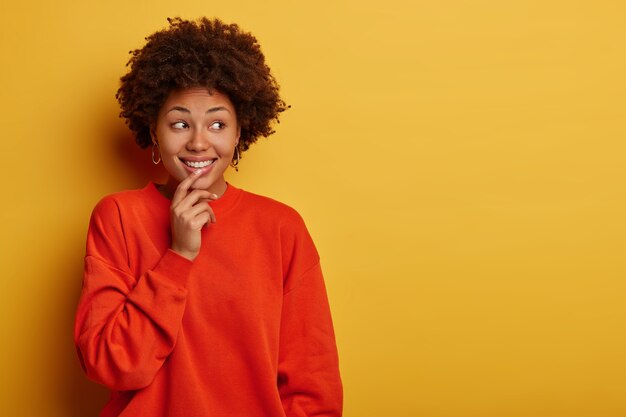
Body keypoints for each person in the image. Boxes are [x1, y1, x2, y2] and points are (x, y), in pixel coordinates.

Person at [74, 17, 342, 417]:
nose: (198, 142)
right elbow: (111, 365)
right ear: (153, 129)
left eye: (217, 123)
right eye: (180, 123)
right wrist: (178, 256)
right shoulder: (118, 218)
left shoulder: (282, 228)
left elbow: (312, 381)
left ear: (239, 134)